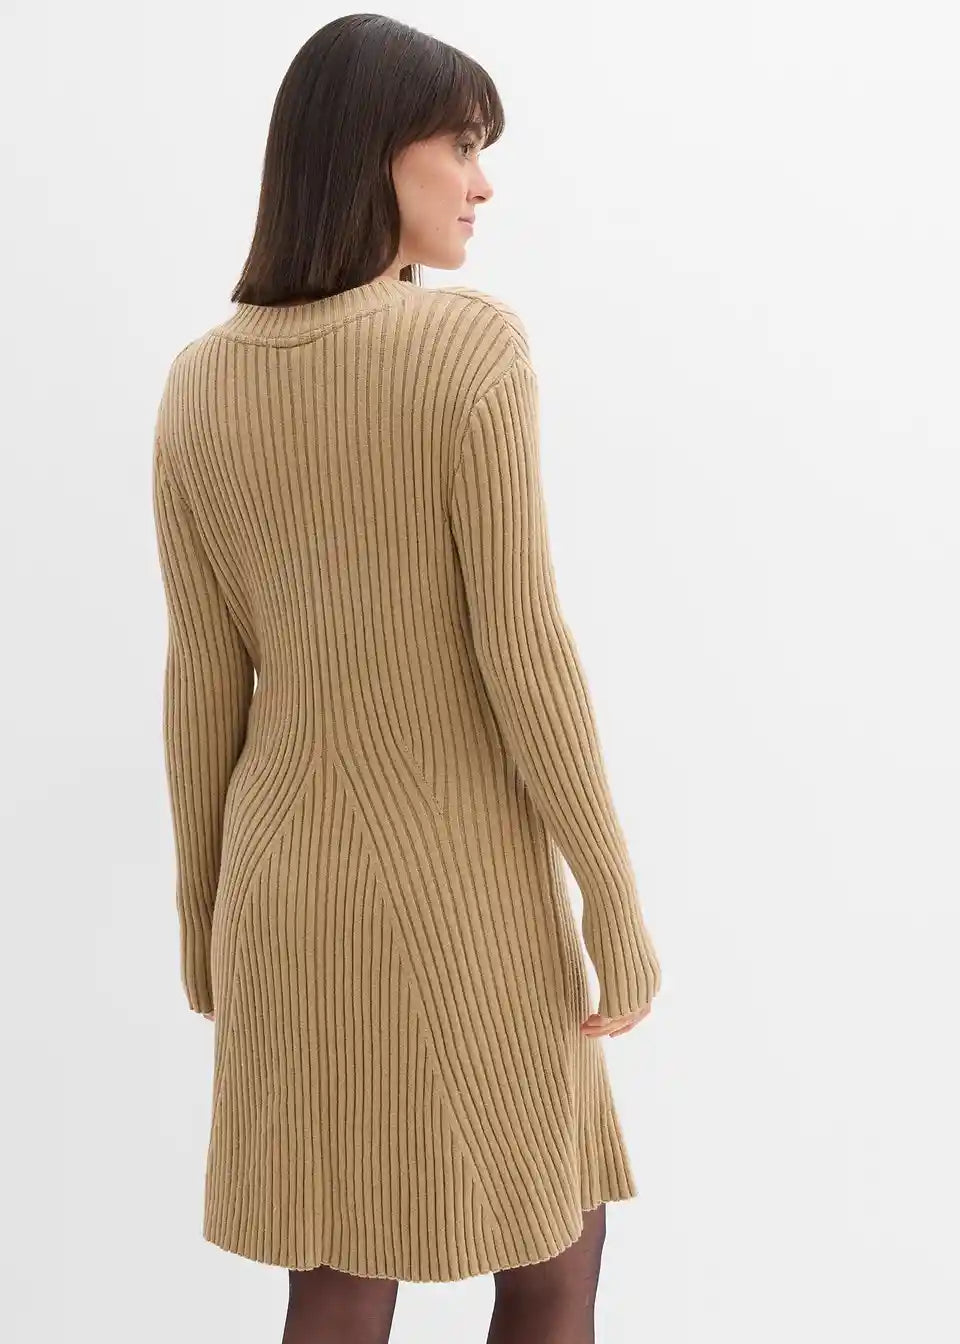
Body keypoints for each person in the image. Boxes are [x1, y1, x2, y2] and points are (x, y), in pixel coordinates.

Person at [151, 13, 662, 1343]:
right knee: (551, 1252)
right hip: (459, 890)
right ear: (376, 152)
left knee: (335, 1268)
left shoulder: (197, 386)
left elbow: (202, 680)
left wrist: (202, 915)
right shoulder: (465, 349)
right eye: (462, 147)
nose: (483, 184)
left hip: (281, 895)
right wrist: (614, 901)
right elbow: (524, 647)